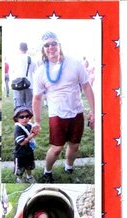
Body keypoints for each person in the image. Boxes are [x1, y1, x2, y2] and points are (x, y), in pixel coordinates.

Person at [32, 31, 95, 183]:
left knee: (74, 146)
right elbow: (37, 98)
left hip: (77, 112)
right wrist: (37, 121)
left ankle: (69, 167)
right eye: (47, 45)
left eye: (54, 43)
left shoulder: (74, 63)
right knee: (56, 148)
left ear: (59, 45)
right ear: (43, 49)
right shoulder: (40, 72)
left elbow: (86, 86)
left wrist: (94, 110)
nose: (51, 47)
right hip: (56, 114)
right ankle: (47, 172)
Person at [12, 106, 38, 183]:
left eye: (27, 116)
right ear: (17, 118)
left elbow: (34, 130)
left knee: (29, 166)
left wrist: (35, 129)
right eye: (21, 117)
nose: (25, 118)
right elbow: (22, 142)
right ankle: (19, 179)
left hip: (28, 152)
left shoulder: (29, 125)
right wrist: (33, 135)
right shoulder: (18, 129)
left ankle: (29, 176)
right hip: (20, 154)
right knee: (20, 168)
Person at [10, 42, 36, 109]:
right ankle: (29, 119)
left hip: (17, 85)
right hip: (29, 85)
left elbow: (12, 72)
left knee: (18, 107)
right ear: (27, 49)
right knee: (29, 106)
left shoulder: (15, 59)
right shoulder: (32, 59)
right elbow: (35, 71)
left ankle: (21, 119)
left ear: (19, 49)